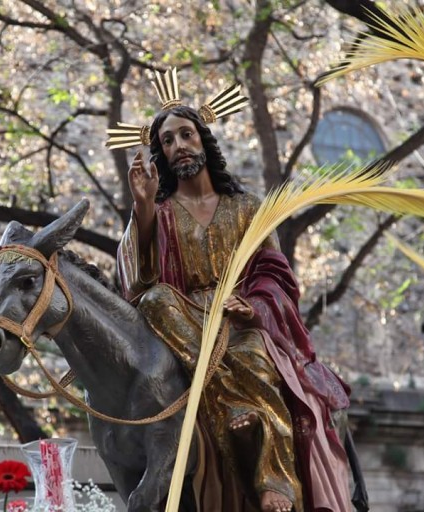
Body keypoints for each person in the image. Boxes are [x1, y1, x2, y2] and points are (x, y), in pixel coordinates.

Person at [116, 105, 352, 512]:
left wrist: (254, 306)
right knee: (157, 301)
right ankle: (231, 404)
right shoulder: (161, 211)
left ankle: (274, 479)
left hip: (237, 321)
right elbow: (140, 282)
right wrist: (144, 207)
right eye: (167, 141)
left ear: (203, 139)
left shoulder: (246, 208)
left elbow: (274, 272)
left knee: (254, 355)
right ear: (160, 155)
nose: (178, 145)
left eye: (186, 134)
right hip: (184, 321)